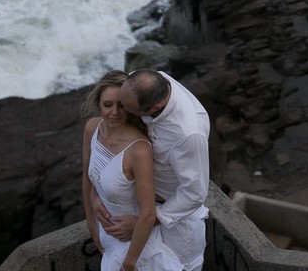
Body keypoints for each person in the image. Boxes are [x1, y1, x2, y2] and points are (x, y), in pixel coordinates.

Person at [98, 69, 211, 271]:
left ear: (155, 107)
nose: (120, 112)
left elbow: (195, 193)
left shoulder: (188, 134)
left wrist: (146, 221)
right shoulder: (143, 81)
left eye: (129, 111)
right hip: (141, 206)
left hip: (176, 222)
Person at [81, 70, 180, 271]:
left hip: (134, 244)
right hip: (106, 234)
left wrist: (129, 263)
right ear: (98, 103)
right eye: (108, 105)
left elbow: (148, 213)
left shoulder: (139, 150)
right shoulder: (92, 128)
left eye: (121, 106)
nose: (114, 113)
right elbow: (87, 176)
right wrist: (91, 223)